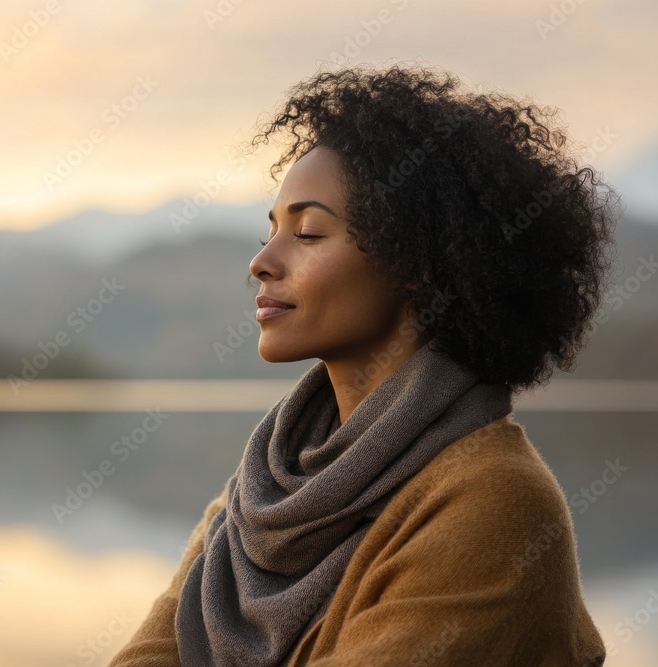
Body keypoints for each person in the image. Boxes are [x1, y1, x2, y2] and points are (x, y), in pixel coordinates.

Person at [108, 64, 618, 666]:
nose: (262, 262)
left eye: (310, 232)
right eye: (270, 230)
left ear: (419, 266)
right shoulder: (260, 497)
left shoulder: (493, 502)